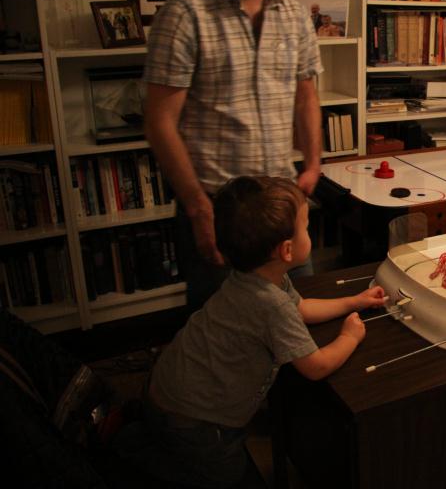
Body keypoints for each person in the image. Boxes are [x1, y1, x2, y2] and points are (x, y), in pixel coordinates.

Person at [117, 176, 385, 487]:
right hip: (196, 420)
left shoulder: (253, 276)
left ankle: (145, 432)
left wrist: (355, 301)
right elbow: (316, 366)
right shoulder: (271, 305)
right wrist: (349, 337)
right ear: (287, 250)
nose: (309, 231)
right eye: (306, 226)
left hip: (170, 386)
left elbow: (301, 308)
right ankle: (133, 454)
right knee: (225, 476)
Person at [143, 0, 323, 313]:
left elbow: (306, 97)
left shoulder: (295, 16)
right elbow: (159, 121)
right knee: (223, 338)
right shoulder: (184, 15)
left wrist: (313, 164)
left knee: (299, 324)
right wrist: (197, 208)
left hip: (283, 211)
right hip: (221, 216)